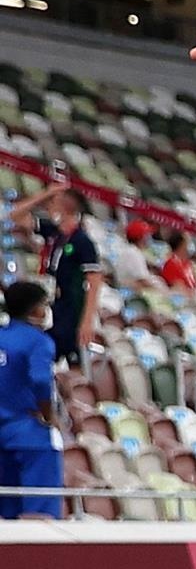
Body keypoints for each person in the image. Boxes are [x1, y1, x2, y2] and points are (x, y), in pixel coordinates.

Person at [7, 183, 100, 366]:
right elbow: (14, 215)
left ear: (65, 209)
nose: (48, 207)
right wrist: (45, 194)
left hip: (69, 309)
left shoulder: (82, 241)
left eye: (53, 203)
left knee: (60, 357)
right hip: (47, 305)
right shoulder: (53, 232)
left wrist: (87, 320)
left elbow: (94, 281)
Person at [0, 280, 60, 519]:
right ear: (35, 309)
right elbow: (40, 380)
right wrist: (48, 413)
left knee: (6, 515)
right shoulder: (38, 341)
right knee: (40, 515)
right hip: (28, 432)